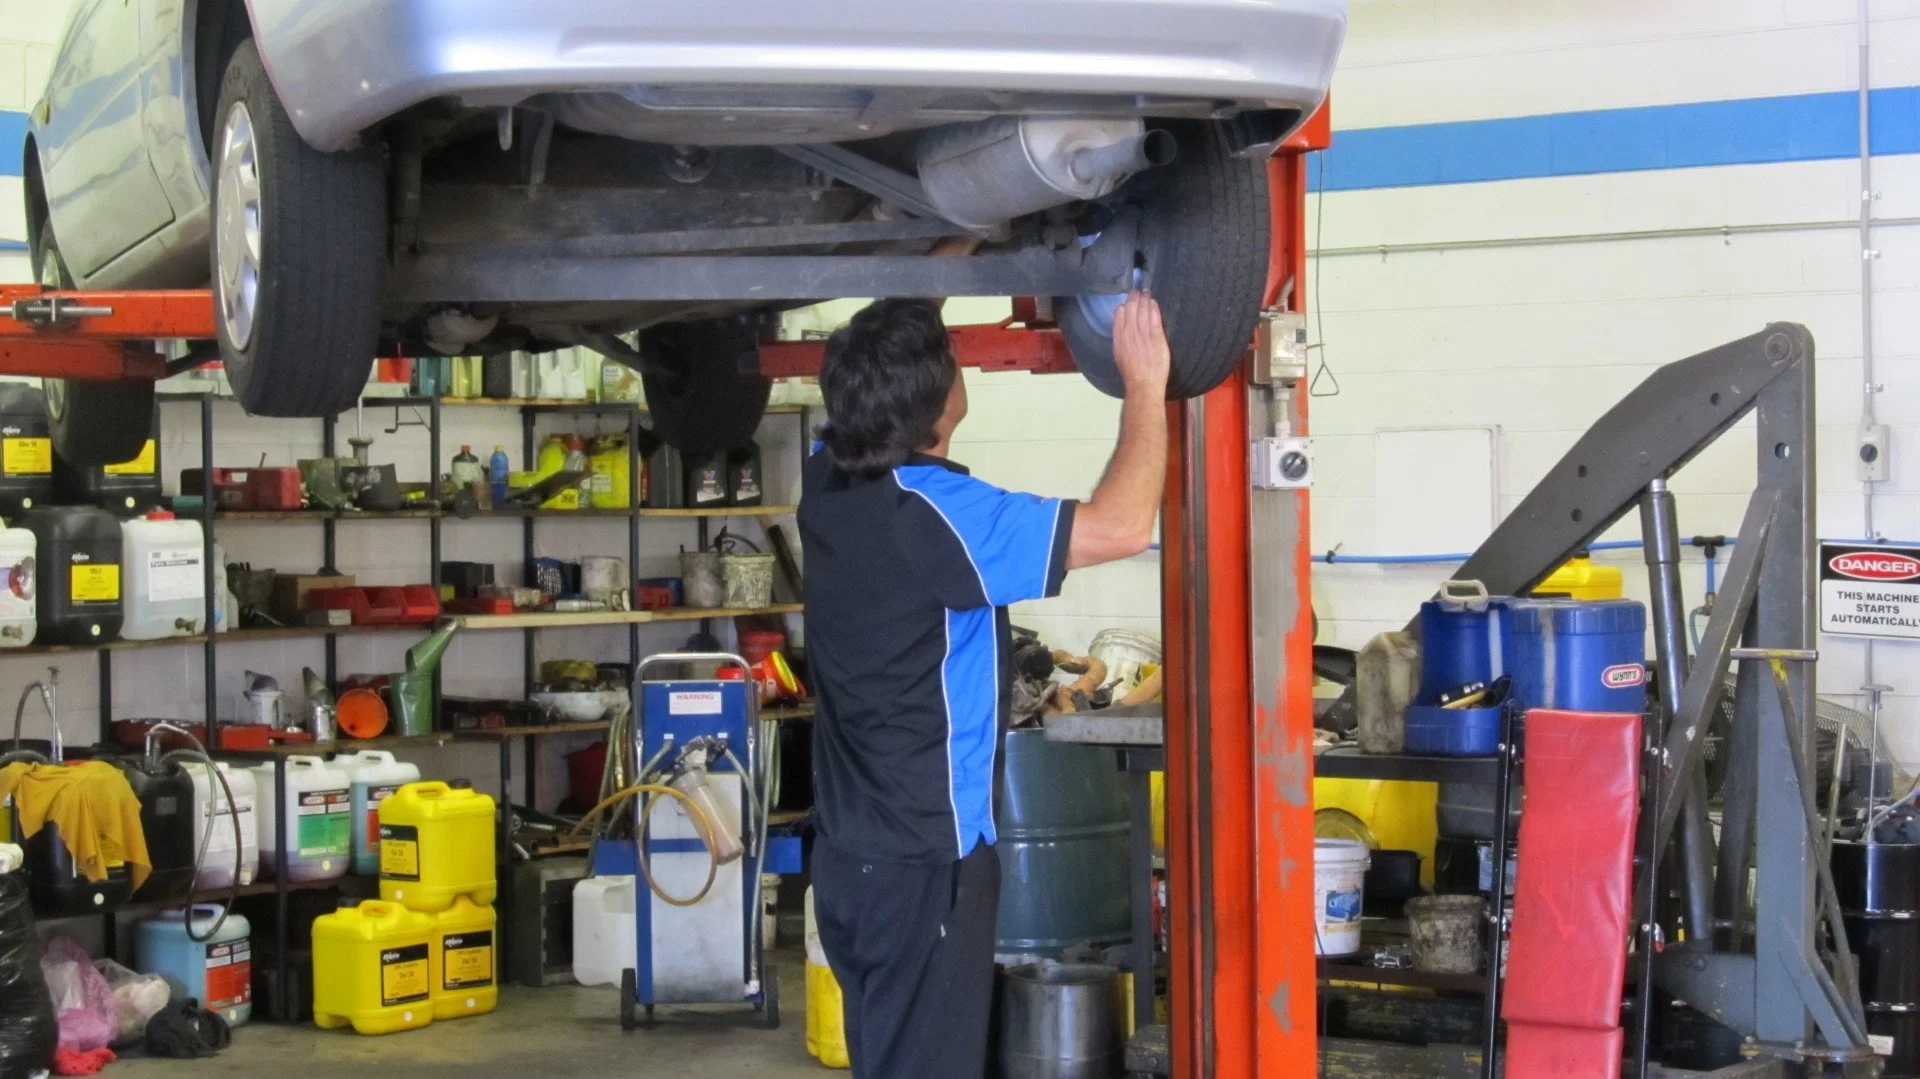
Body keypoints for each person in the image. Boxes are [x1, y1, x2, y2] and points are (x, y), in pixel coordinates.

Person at [799, 291, 1171, 1077]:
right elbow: (1124, 523)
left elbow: (889, 361)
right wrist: (1145, 384)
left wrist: (952, 251)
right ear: (942, 404)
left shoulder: (826, 479)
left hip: (851, 861)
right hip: (925, 868)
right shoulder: (937, 515)